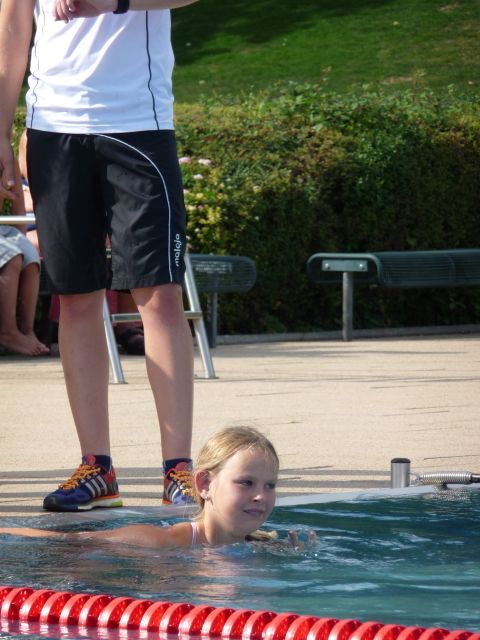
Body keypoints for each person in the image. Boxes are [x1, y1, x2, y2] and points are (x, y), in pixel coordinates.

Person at [0, 0, 199, 512]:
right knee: (76, 298)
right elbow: (13, 28)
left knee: (160, 297)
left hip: (139, 125)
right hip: (54, 131)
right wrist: (1, 131)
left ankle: (177, 470)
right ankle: (97, 468)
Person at [0, 427, 282, 548]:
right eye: (246, 483)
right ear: (204, 484)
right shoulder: (160, 541)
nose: (260, 496)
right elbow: (67, 540)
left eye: (270, 485)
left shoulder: (270, 547)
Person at [0, 158, 50, 356]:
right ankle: (8, 331)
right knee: (13, 256)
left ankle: (27, 331)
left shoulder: (8, 160)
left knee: (29, 256)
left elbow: (18, 211)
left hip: (3, 229)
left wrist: (23, 242)